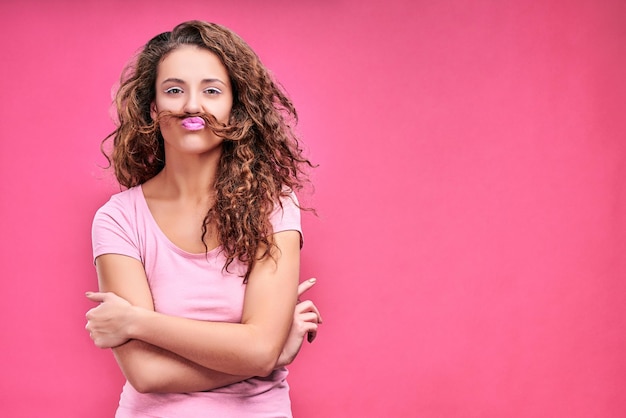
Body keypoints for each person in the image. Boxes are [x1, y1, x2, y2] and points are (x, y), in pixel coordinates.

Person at [84, 20, 321, 418]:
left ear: (235, 106)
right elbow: (145, 373)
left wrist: (137, 322)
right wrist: (264, 354)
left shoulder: (274, 206)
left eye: (211, 91)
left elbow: (260, 350)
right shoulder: (118, 219)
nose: (192, 105)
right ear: (153, 107)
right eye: (174, 90)